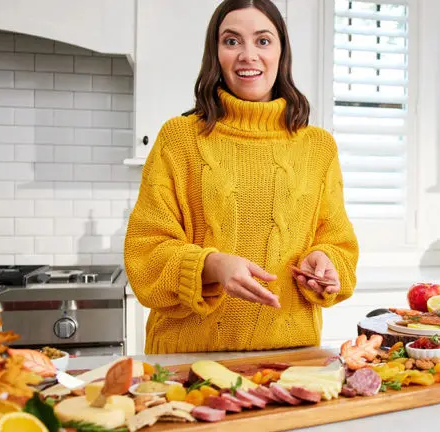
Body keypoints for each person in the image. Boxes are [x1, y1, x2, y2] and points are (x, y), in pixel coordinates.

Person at [124, 0, 359, 354]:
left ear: (281, 52)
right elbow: (145, 256)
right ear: (215, 53)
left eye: (263, 41)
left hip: (291, 358)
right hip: (186, 358)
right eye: (232, 41)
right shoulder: (179, 138)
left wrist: (326, 264)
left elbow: (338, 243)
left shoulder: (318, 147)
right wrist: (211, 265)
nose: (248, 55)